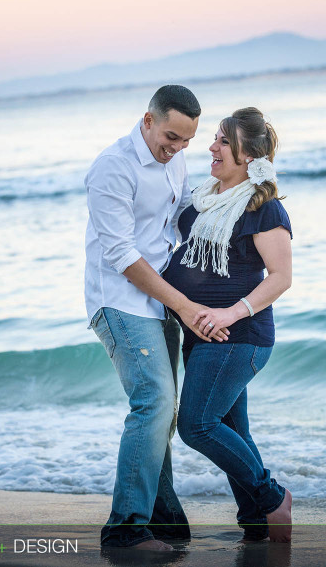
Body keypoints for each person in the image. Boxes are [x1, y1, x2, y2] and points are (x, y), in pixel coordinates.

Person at [84, 84, 227, 551]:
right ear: (147, 121)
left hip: (161, 296)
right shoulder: (113, 167)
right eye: (171, 137)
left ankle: (163, 519)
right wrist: (186, 306)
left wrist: (236, 202)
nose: (178, 148)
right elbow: (122, 255)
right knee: (155, 400)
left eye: (187, 141)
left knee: (162, 413)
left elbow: (184, 210)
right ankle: (125, 529)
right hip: (120, 301)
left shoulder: (175, 157)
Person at [163, 107, 294, 542]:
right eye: (215, 139)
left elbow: (280, 278)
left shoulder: (264, 208)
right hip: (200, 334)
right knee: (234, 430)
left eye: (222, 141)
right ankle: (255, 522)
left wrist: (229, 313)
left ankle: (272, 499)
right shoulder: (204, 196)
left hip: (239, 336)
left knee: (197, 425)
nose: (212, 147)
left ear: (247, 154)